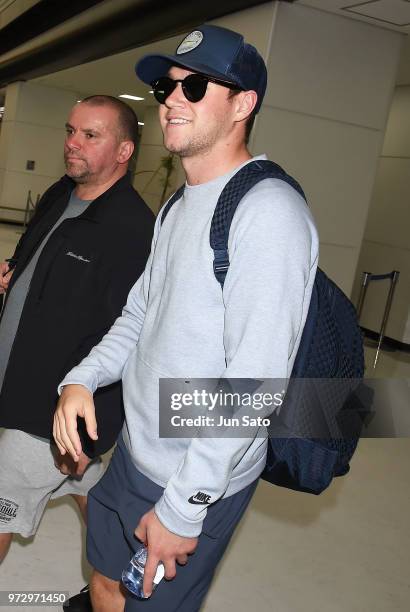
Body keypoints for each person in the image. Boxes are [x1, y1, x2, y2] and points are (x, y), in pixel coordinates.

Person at [54, 25, 319, 612]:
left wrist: (183, 507)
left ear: (244, 104)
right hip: (134, 450)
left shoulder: (269, 214)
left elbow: (254, 384)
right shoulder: (180, 202)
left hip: (192, 476)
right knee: (101, 582)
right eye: (167, 87)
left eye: (195, 86)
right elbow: (141, 312)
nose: (173, 98)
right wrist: (85, 376)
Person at [0, 95, 154, 568]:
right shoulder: (58, 195)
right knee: (95, 501)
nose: (73, 144)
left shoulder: (133, 229)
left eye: (91, 135)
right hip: (15, 384)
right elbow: (37, 267)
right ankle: (117, 581)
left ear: (124, 152)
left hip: (53, 412)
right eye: (71, 131)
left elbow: (126, 336)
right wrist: (12, 272)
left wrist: (89, 435)